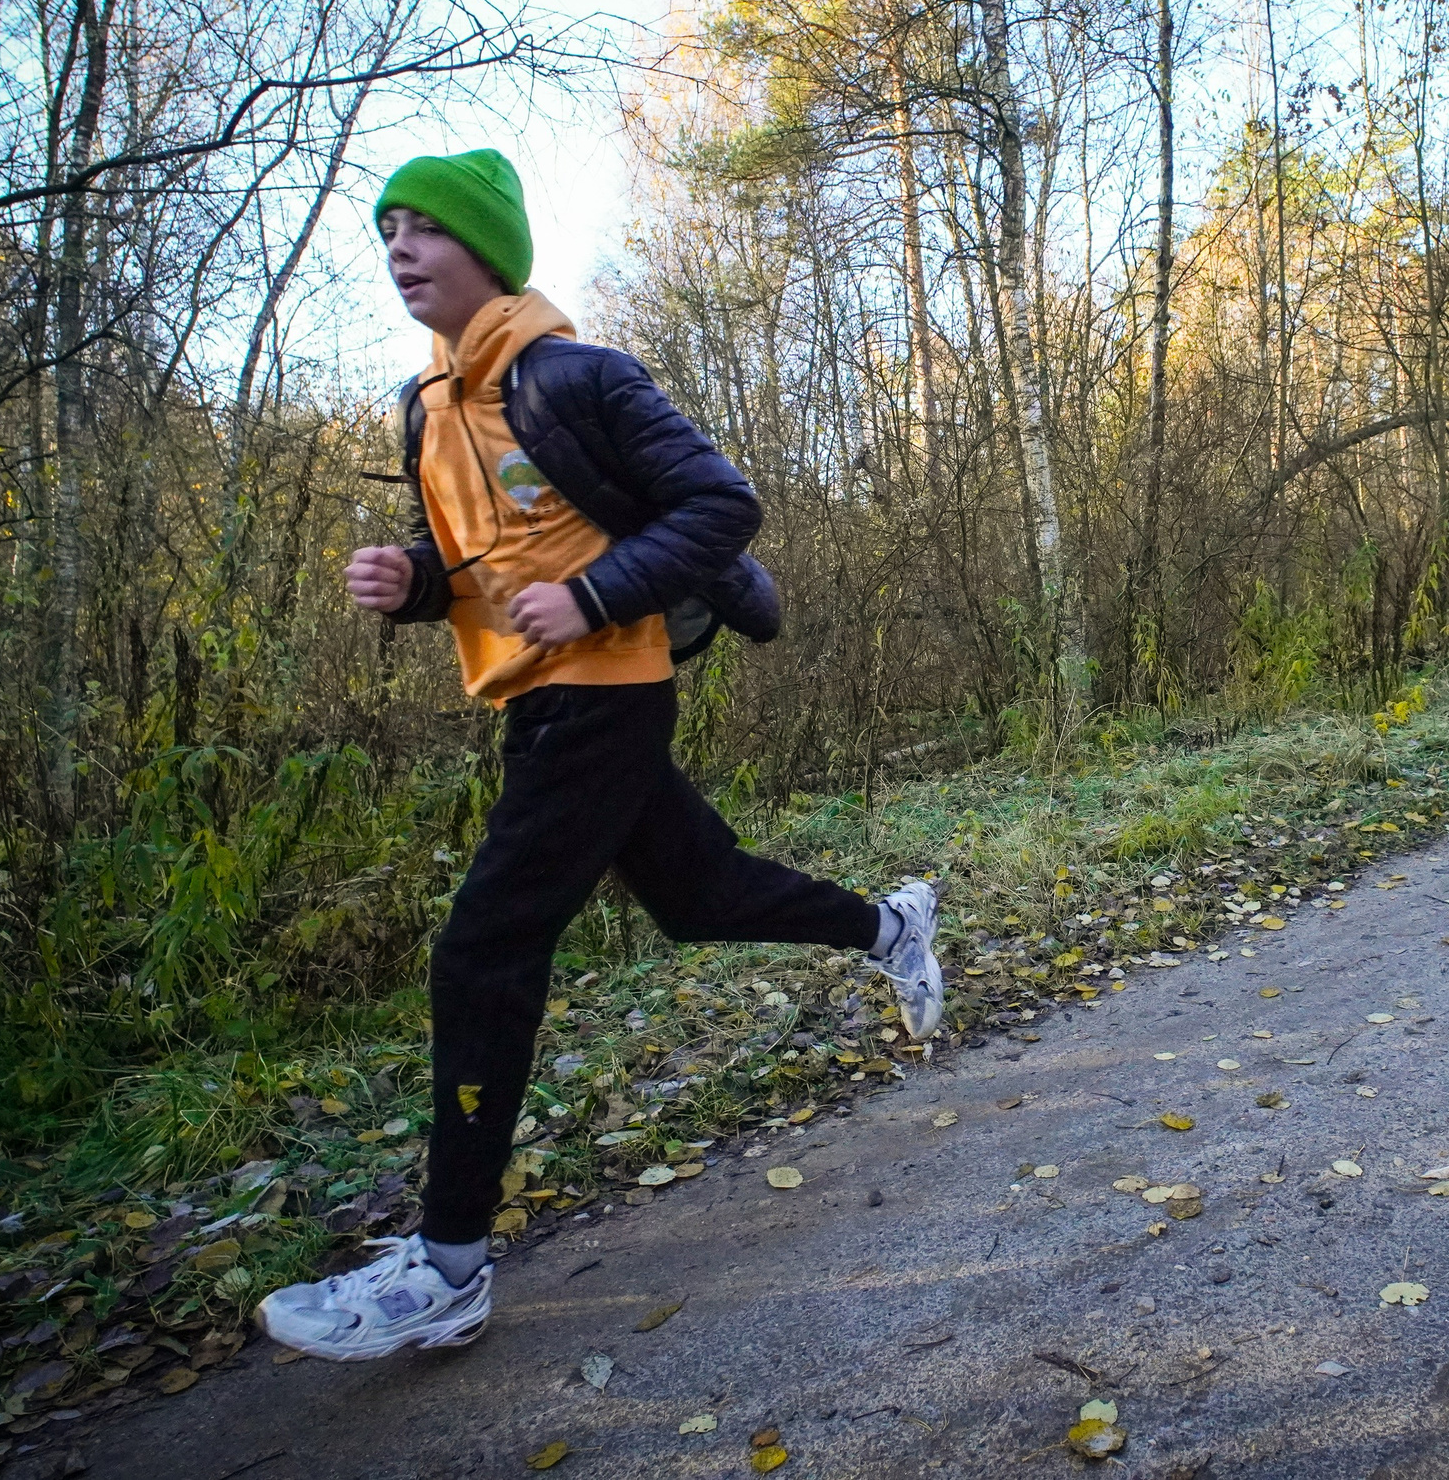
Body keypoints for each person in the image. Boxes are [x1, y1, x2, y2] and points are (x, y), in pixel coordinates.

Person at [255, 150, 943, 1363]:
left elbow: (721, 507)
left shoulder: (576, 375)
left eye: (425, 229)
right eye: (388, 233)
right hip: (533, 697)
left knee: (483, 950)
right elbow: (470, 556)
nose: (400, 249)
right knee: (700, 895)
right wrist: (408, 581)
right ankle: (894, 928)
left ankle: (449, 1265)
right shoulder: (423, 406)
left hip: (606, 691)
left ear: (489, 250)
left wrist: (593, 595)